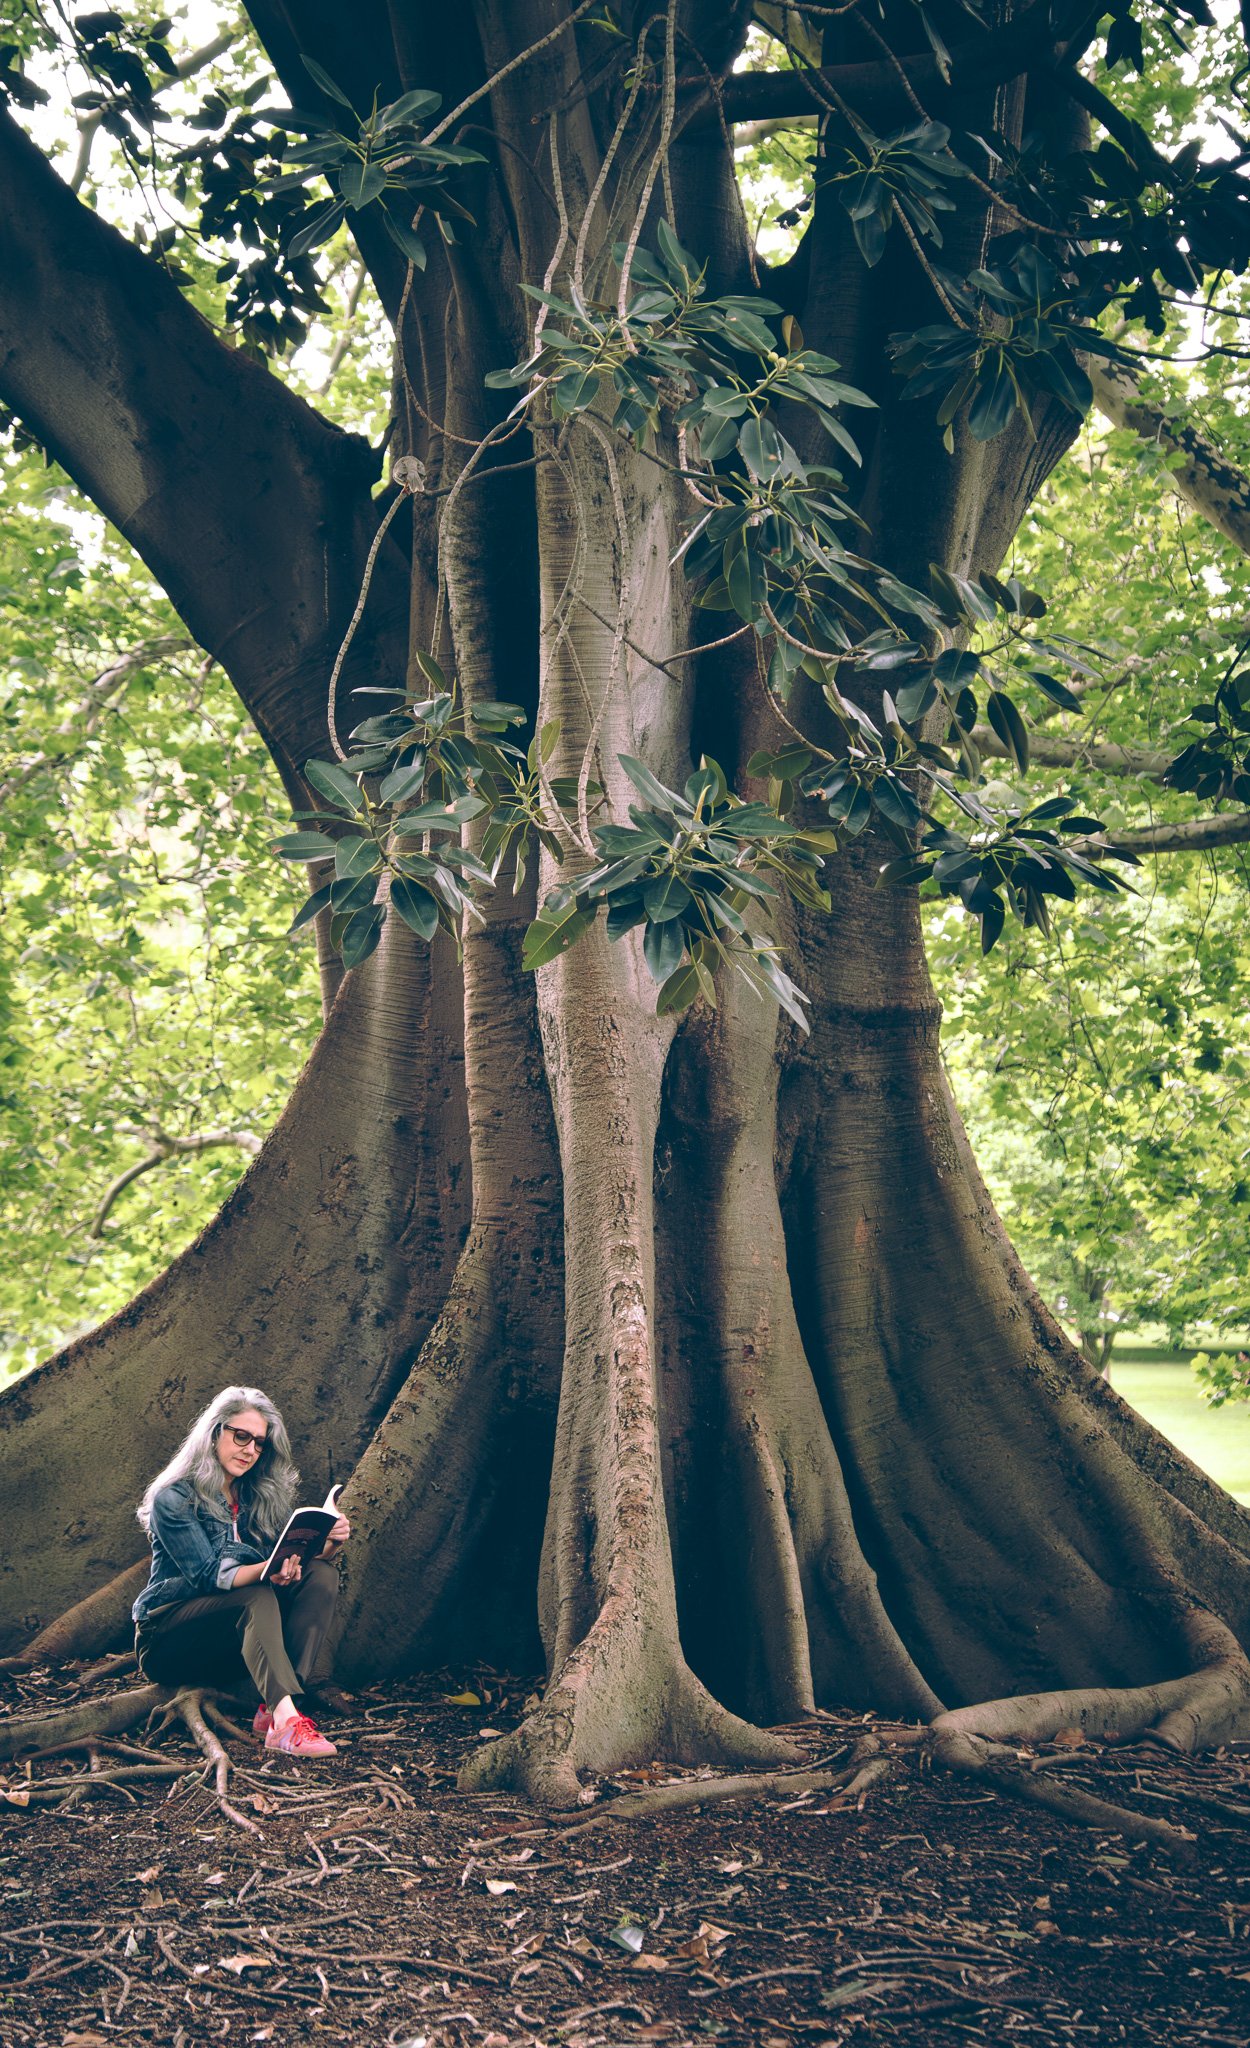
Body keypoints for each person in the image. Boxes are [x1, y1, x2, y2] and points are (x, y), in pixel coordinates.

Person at [132, 1386, 350, 1757]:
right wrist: (268, 1570)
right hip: (168, 1640)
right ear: (214, 1433)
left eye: (260, 1443)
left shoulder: (255, 1497)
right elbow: (208, 1576)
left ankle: (275, 1706)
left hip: (231, 1639)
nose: (250, 1450)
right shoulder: (173, 1498)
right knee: (256, 1593)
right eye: (241, 1436)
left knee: (321, 1575)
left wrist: (330, 1541)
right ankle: (286, 1725)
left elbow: (287, 1561)